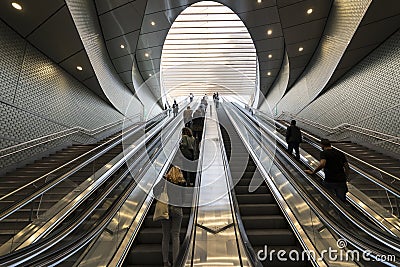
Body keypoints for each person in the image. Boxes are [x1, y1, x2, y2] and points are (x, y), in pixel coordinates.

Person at [154, 166, 186, 266]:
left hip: (165, 209)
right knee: (175, 235)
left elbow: (155, 191)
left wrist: (163, 179)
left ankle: (165, 262)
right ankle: (176, 261)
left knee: (166, 235)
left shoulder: (165, 181)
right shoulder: (182, 183)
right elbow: (184, 198)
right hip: (177, 209)